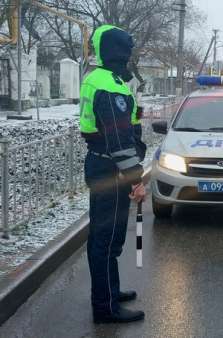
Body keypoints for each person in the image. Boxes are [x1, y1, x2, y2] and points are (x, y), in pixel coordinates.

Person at [80, 24, 147, 324]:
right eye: (127, 51)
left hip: (102, 164)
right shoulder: (109, 86)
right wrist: (137, 180)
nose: (130, 57)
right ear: (119, 51)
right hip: (112, 169)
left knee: (105, 236)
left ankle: (109, 290)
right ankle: (106, 307)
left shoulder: (102, 79)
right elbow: (120, 141)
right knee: (106, 240)